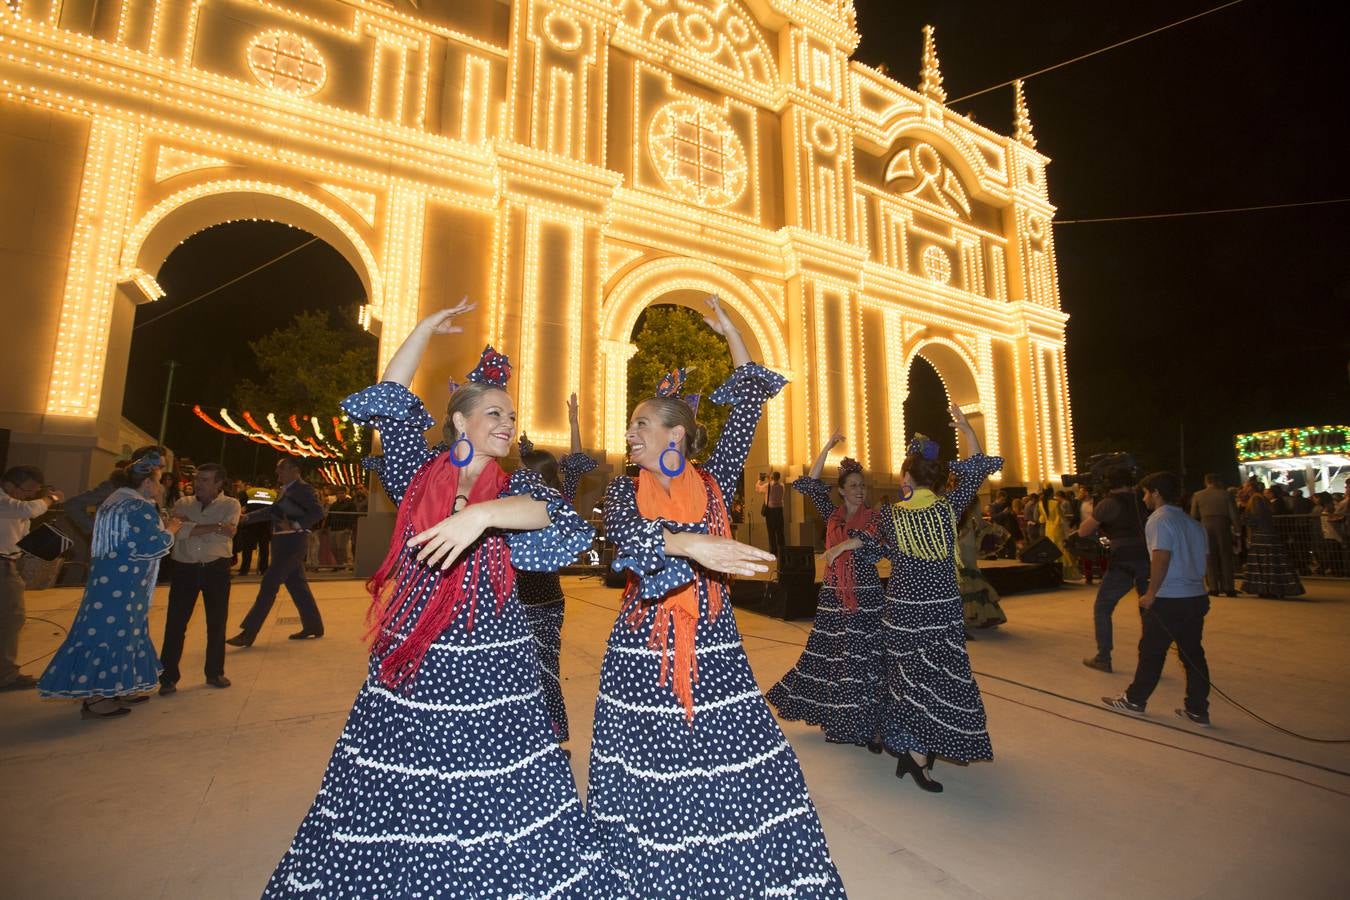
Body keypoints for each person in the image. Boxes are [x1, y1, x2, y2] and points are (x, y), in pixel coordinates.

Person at [262, 304, 614, 898]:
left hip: (493, 647)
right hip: (417, 643)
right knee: (408, 755)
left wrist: (481, 515)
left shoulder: (517, 484)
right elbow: (390, 396)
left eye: (512, 415)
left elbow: (555, 516)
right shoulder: (417, 471)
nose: (507, 423)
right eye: (494, 412)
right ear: (458, 421)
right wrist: (424, 330)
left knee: (495, 762)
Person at [591, 296, 844, 897]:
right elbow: (625, 541)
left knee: (732, 753)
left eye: (641, 424)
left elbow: (749, 398)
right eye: (630, 425)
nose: (630, 433)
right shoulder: (625, 492)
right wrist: (687, 544)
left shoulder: (714, 480)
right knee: (653, 764)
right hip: (641, 646)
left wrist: (734, 329)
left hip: (714, 642)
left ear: (676, 434)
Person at [850, 410, 1003, 793]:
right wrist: (969, 431)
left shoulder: (891, 516)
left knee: (908, 682)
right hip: (941, 610)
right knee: (938, 680)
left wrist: (851, 545)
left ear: (907, 478)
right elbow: (977, 469)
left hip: (902, 611)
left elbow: (872, 551)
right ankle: (918, 755)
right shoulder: (948, 507)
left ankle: (914, 751)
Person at [767, 432, 886, 751]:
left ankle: (870, 725)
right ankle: (842, 716)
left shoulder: (875, 517)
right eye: (853, 486)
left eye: (862, 485)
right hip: (833, 596)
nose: (859, 490)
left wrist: (840, 548)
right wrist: (828, 446)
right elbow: (810, 482)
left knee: (862, 661)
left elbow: (870, 543)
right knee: (834, 658)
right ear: (841, 490)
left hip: (865, 598)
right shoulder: (832, 514)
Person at [37, 452, 172, 718]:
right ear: (146, 482)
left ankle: (117, 687)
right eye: (158, 480)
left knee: (116, 631)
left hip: (112, 581)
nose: (161, 486)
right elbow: (151, 545)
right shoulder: (138, 506)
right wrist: (172, 529)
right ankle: (97, 697)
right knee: (113, 634)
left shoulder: (116, 500)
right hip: (125, 583)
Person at [515, 390, 597, 754]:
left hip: (546, 603)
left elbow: (576, 463)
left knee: (545, 670)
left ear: (542, 477)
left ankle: (552, 739)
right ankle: (521, 739)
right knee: (513, 674)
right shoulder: (509, 504)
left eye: (526, 473)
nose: (519, 478)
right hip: (511, 604)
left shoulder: (559, 504)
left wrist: (574, 422)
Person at [1103, 472, 1214, 725]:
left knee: (1151, 651)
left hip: (1170, 598)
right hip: (1195, 596)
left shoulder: (1159, 520)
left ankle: (1135, 700)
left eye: (1145, 493)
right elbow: (1205, 559)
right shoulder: (1193, 523)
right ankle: (1198, 709)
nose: (1143, 499)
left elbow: (1161, 557)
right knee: (1193, 654)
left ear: (1156, 493)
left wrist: (1151, 593)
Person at [159, 463, 240, 694]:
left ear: (218, 483)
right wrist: (215, 526)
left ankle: (215, 672)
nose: (198, 483)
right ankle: (168, 678)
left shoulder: (230, 504)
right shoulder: (182, 503)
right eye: (198, 479)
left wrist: (190, 526)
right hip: (184, 569)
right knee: (175, 624)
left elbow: (229, 532)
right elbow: (176, 532)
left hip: (216, 569)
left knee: (216, 623)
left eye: (205, 480)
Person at [226, 458, 326, 646]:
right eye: (277, 469)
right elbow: (273, 511)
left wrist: (297, 525)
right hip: (284, 544)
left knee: (269, 584)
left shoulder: (304, 489)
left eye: (281, 469)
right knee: (298, 588)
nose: (278, 472)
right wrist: (247, 518)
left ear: (295, 470)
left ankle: (249, 632)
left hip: (292, 545)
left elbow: (318, 512)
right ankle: (314, 626)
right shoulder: (286, 490)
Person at [1077, 466, 1150, 673]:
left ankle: (1103, 657)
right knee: (1148, 611)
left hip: (1123, 561)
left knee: (1103, 607)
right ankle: (1149, 662)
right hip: (1147, 558)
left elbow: (1083, 531)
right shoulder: (1143, 500)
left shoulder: (1109, 503)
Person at [1, 466, 63, 691]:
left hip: (10, 562)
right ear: (9, 484)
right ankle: (5, 675)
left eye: (33, 492)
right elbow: (28, 510)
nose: (29, 496)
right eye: (27, 490)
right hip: (2, 565)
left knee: (10, 619)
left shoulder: (13, 505)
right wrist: (50, 498)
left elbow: (22, 531)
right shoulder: (7, 502)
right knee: (10, 619)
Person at [1240, 481, 1304, 598]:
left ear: (1250, 488)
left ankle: (1268, 589)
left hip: (1262, 535)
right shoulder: (1261, 498)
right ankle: (1272, 588)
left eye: (1245, 487)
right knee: (1271, 562)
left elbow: (1257, 518)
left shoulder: (1256, 499)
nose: (1243, 489)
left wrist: (1244, 518)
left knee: (1265, 562)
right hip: (1267, 534)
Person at [958, 497, 1009, 629]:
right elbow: (980, 522)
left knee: (959, 577)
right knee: (971, 575)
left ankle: (959, 616)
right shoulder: (972, 498)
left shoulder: (945, 494)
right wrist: (992, 531)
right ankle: (974, 615)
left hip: (953, 540)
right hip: (966, 540)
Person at [1189, 473, 1240, 597]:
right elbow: (1234, 514)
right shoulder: (1226, 494)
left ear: (1206, 482)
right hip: (1223, 526)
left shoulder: (1198, 495)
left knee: (1209, 557)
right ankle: (1229, 587)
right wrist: (1237, 530)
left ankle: (1213, 587)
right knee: (1226, 556)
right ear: (1218, 481)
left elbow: (1194, 515)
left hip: (1205, 526)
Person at [1042, 487, 1080, 580]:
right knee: (1062, 549)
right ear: (1052, 493)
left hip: (1048, 529)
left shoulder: (1040, 503)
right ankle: (1065, 572)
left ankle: (1053, 572)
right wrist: (1068, 529)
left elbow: (1042, 519)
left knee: (1051, 548)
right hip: (1057, 529)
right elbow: (1060, 518)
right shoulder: (1055, 503)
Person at [756, 469, 787, 555]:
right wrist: (769, 478)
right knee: (780, 533)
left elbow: (758, 488)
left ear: (772, 477)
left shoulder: (768, 486)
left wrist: (759, 479)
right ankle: (782, 552)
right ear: (779, 477)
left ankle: (774, 552)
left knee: (771, 533)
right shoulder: (782, 486)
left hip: (771, 512)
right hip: (779, 511)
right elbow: (774, 484)